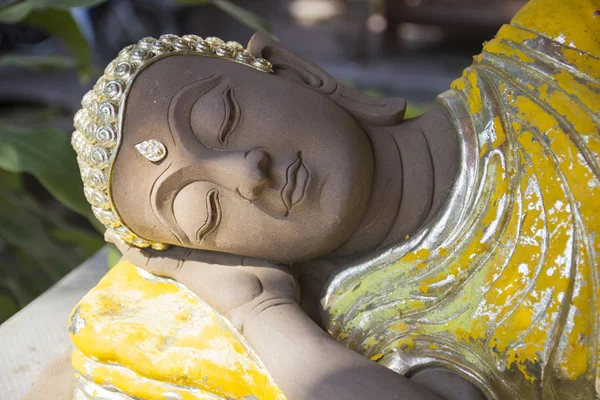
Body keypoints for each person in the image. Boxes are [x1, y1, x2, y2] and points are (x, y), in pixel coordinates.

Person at [25, 0, 599, 398]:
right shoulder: (381, 329)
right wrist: (258, 312)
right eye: (205, 209)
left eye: (222, 118)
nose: (246, 172)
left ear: (296, 71)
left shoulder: (557, 47)